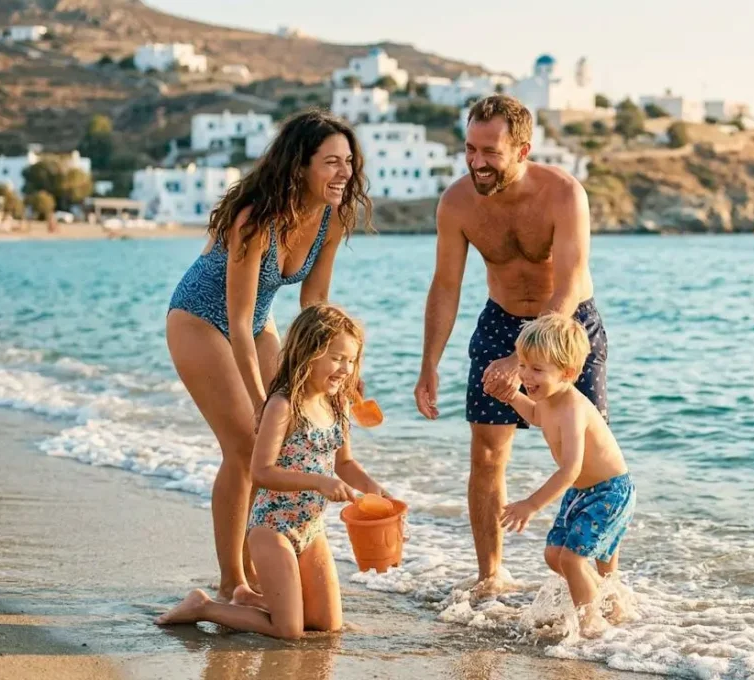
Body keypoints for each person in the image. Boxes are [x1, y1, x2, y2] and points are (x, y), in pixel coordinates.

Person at [166, 110, 371, 601]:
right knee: (244, 445)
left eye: (348, 161)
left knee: (275, 446)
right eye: (331, 162)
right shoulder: (255, 219)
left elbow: (313, 302)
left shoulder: (333, 215)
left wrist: (343, 365)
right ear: (300, 166)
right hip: (199, 317)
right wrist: (263, 401)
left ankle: (260, 568)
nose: (344, 172)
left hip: (258, 322)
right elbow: (235, 321)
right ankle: (232, 579)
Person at [415, 94, 608, 597]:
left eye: (490, 152)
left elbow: (567, 284)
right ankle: (491, 575)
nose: (477, 162)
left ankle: (603, 583)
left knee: (587, 458)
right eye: (470, 149)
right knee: (486, 454)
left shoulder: (565, 194)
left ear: (522, 150)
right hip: (501, 320)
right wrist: (428, 363)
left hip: (566, 327)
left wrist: (523, 357)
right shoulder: (457, 203)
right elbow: (446, 286)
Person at [156, 304, 389, 639]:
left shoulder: (337, 405)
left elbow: (345, 464)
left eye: (351, 360)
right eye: (337, 358)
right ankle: (203, 606)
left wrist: (375, 491)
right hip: (272, 529)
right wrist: (320, 482)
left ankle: (249, 598)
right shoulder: (282, 405)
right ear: (308, 352)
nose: (345, 368)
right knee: (289, 630)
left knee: (327, 625)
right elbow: (261, 471)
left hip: (311, 530)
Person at [488, 314, 634, 637]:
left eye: (537, 369)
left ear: (567, 373)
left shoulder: (572, 408)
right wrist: (511, 396)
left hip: (609, 492)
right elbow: (536, 416)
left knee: (573, 559)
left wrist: (531, 504)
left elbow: (570, 469)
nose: (526, 374)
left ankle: (592, 629)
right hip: (583, 492)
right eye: (523, 364)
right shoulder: (547, 400)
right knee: (555, 555)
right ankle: (611, 602)